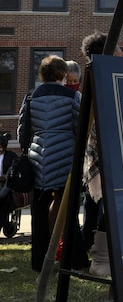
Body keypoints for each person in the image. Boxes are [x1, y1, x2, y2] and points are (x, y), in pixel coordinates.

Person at [17, 55, 87, 272]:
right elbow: (80, 129)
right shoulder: (73, 96)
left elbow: (22, 131)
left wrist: (29, 151)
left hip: (38, 158)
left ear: (42, 73)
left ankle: (39, 261)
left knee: (39, 210)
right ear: (62, 74)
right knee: (68, 209)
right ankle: (74, 260)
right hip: (65, 158)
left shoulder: (30, 97)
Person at [80, 31, 123, 276]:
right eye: (118, 49)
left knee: (109, 206)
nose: (122, 53)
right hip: (107, 149)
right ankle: (101, 259)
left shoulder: (105, 75)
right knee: (110, 205)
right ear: (109, 53)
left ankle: (103, 255)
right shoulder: (99, 77)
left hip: (116, 148)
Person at [0, 132, 20, 236]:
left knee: (2, 198)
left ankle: (4, 224)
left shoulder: (11, 156)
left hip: (6, 184)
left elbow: (14, 169)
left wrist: (6, 176)